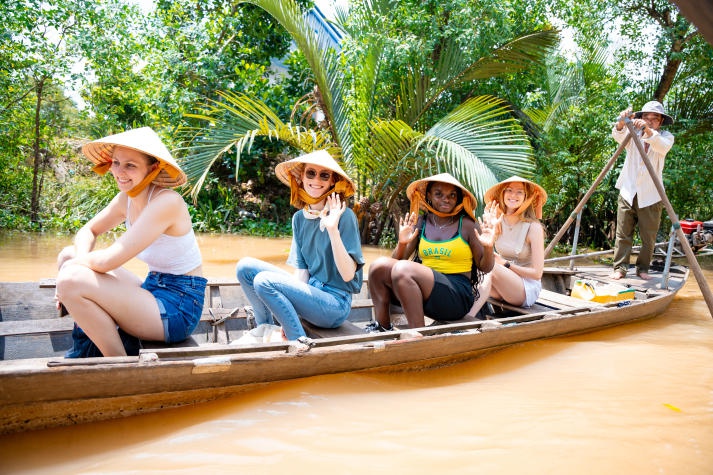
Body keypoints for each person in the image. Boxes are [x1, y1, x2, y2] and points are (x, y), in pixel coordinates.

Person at [55, 127, 207, 357]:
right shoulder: (126, 199)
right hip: (152, 287)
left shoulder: (167, 202)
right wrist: (73, 264)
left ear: (153, 168)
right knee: (68, 256)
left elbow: (107, 261)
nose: (119, 172)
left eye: (130, 165)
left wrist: (68, 277)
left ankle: (118, 365)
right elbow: (89, 230)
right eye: (116, 162)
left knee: (70, 277)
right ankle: (90, 346)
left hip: (178, 307)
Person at [235, 149, 364, 343]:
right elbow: (302, 274)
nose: (316, 180)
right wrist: (291, 311)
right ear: (302, 177)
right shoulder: (299, 219)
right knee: (245, 267)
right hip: (311, 292)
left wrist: (332, 229)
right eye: (311, 173)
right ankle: (265, 327)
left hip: (335, 304)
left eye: (324, 175)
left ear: (332, 182)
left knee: (264, 281)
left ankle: (298, 340)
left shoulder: (345, 216)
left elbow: (347, 276)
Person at [366, 173, 495, 331]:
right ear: (429, 196)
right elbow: (397, 260)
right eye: (438, 194)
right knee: (377, 267)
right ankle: (382, 327)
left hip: (456, 296)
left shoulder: (468, 225)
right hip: (423, 291)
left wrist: (489, 247)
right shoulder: (422, 222)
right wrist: (402, 243)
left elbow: (485, 267)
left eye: (452, 195)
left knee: (403, 269)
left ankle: (418, 335)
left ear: (458, 199)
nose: (445, 199)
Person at [609, 101, 675, 280]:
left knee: (648, 236)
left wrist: (647, 130)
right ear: (640, 118)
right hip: (628, 190)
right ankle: (620, 268)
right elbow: (618, 135)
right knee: (623, 233)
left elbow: (661, 146)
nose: (651, 120)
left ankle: (643, 268)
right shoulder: (633, 134)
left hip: (651, 194)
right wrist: (622, 122)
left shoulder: (665, 137)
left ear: (660, 122)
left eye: (655, 119)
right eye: (646, 117)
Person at [482, 176, 547, 307]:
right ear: (503, 194)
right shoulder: (498, 222)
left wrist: (505, 265)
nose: (513, 195)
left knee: (491, 267)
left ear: (526, 197)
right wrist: (486, 231)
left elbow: (537, 273)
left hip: (525, 288)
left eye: (519, 192)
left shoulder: (534, 227)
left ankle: (469, 316)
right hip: (503, 286)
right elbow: (485, 252)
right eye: (509, 190)